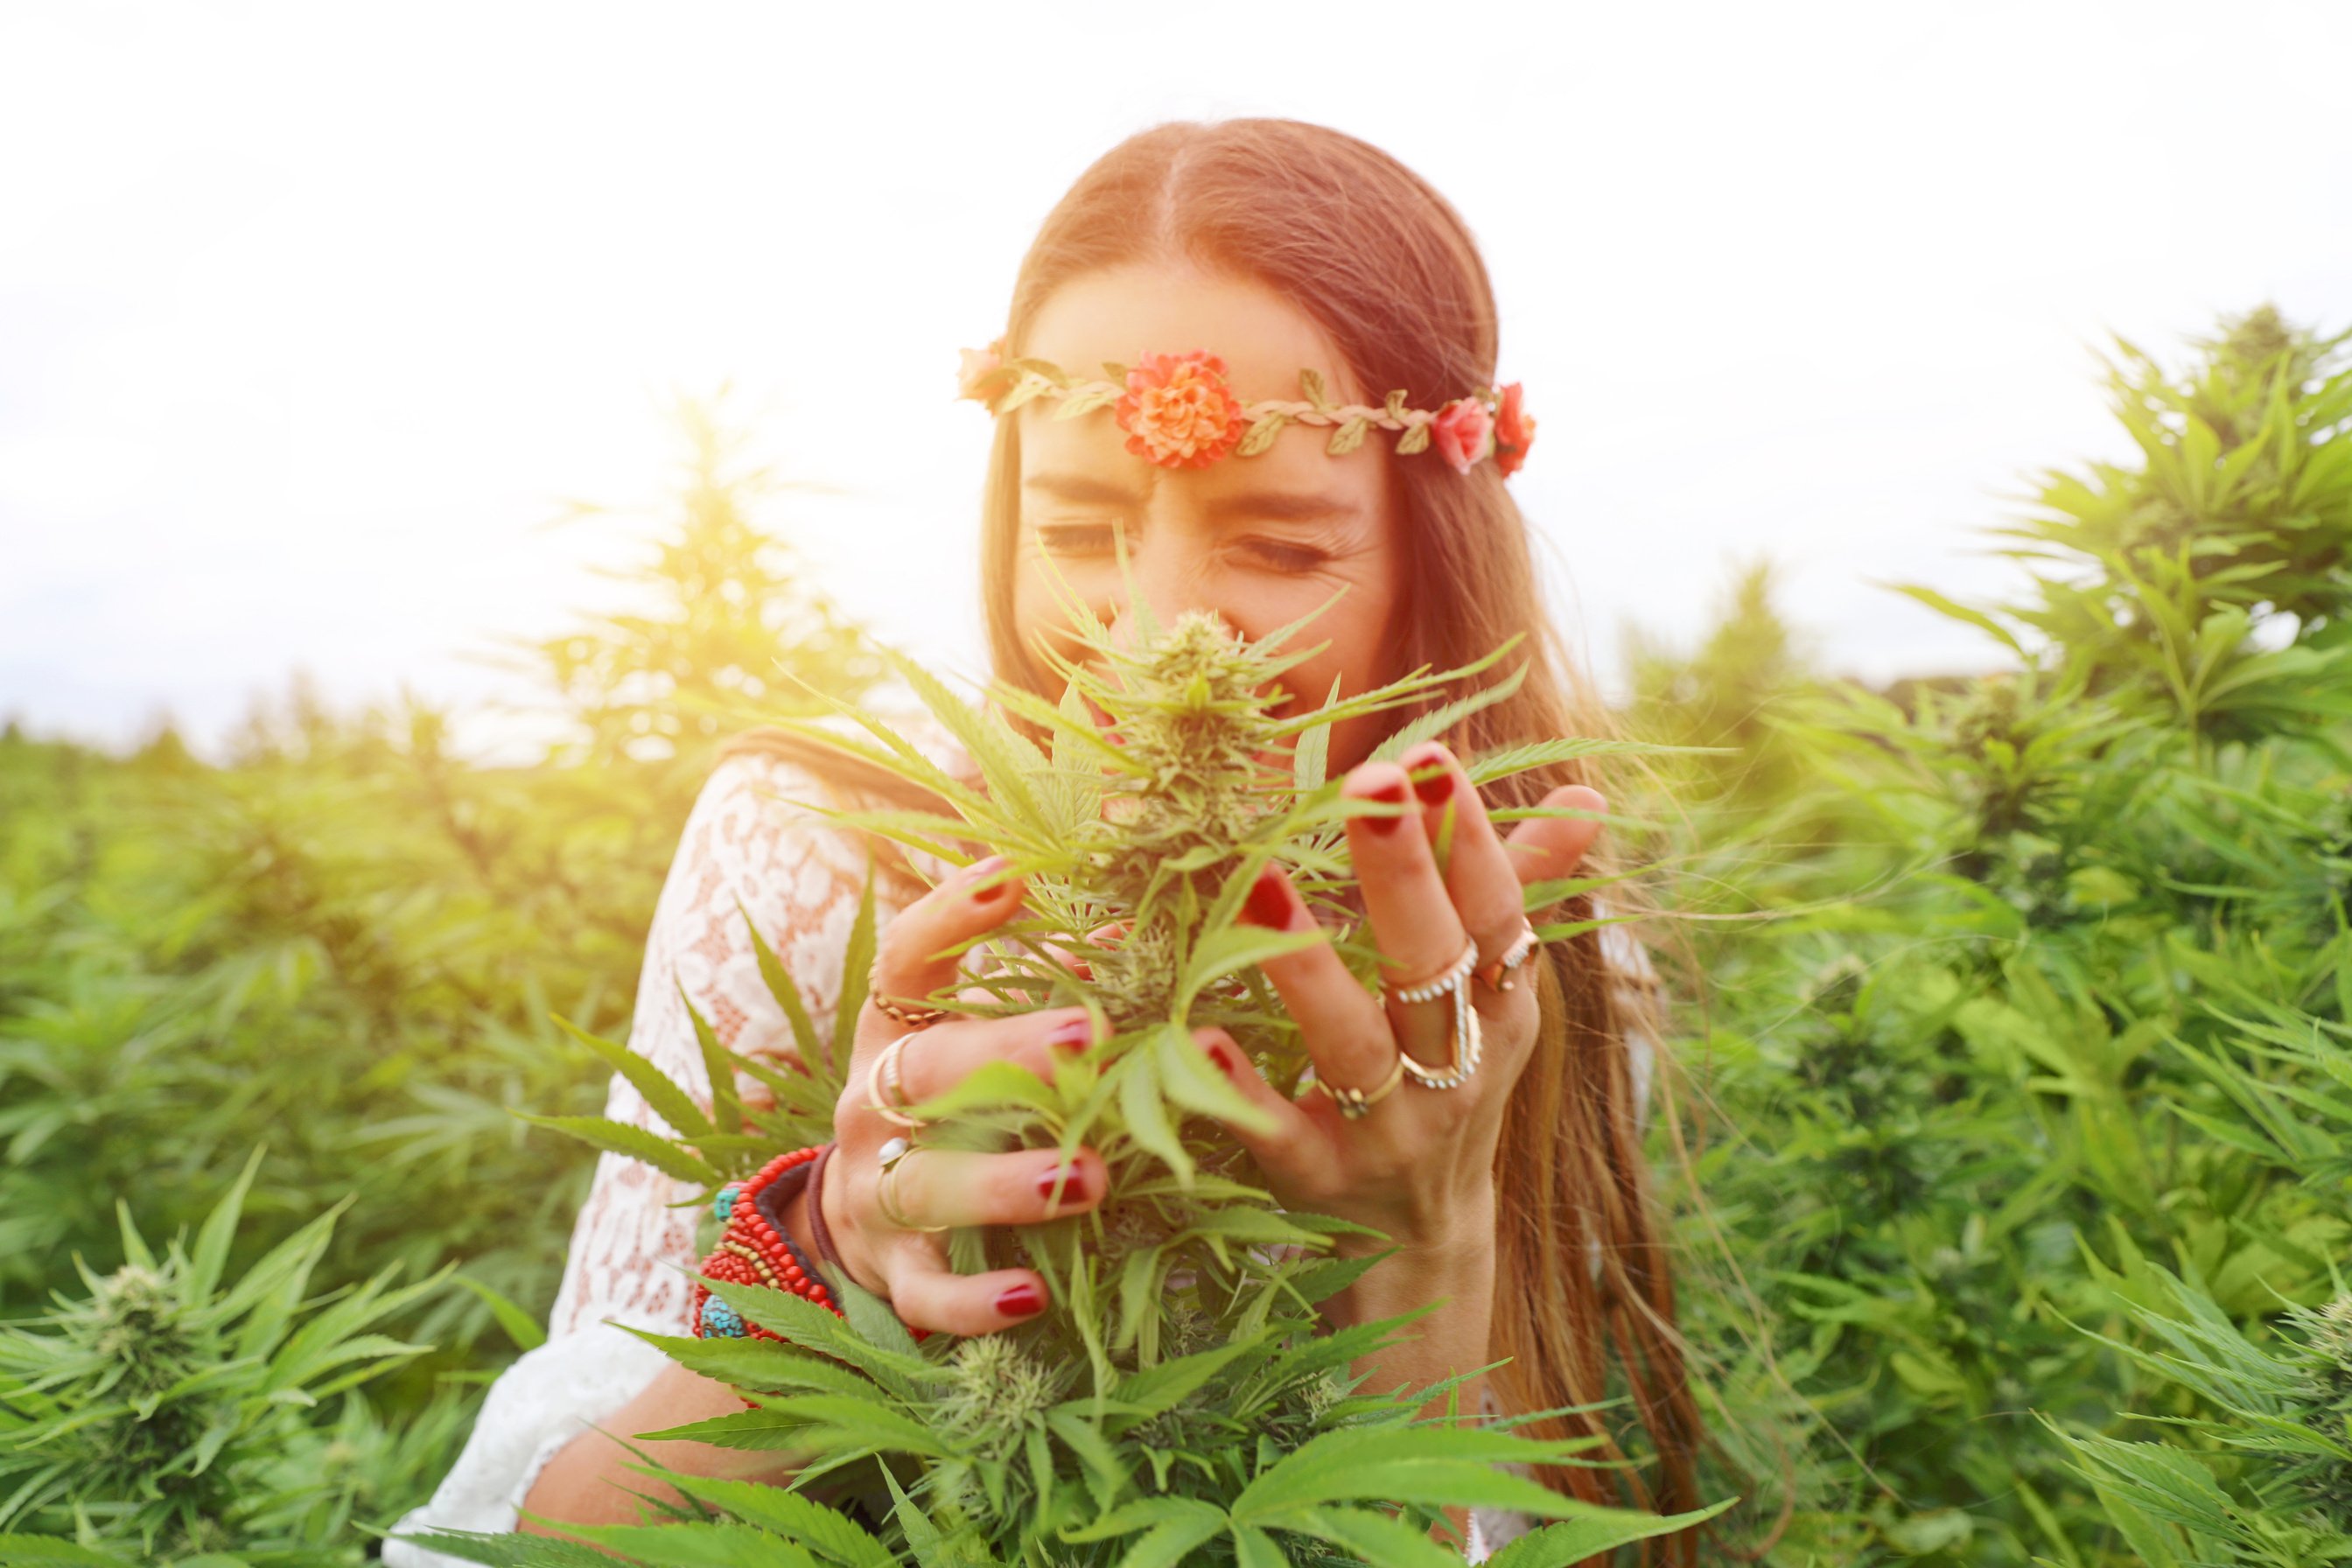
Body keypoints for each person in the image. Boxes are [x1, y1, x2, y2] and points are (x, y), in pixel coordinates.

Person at [389, 117, 1703, 1565]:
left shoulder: (1521, 961)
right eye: (1080, 529)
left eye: (1278, 545)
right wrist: (830, 1260)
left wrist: (1424, 1239)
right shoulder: (821, 850)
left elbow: (1450, 1528)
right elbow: (508, 1549)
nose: (1156, 630)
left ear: (1428, 563)